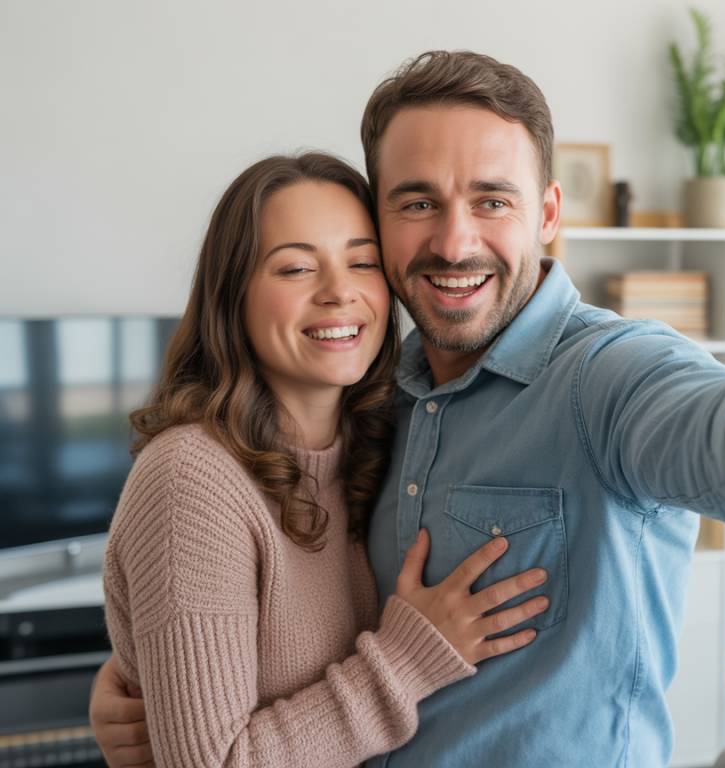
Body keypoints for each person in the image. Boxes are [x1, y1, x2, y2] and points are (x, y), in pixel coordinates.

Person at [92, 52, 725, 767]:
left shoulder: (606, 375)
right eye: (417, 203)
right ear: (387, 221)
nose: (454, 240)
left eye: (493, 200)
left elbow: (706, 427)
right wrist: (146, 679)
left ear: (549, 214)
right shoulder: (381, 406)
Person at [94, 152, 551, 767]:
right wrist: (409, 660)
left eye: (361, 262)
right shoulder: (190, 479)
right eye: (296, 268)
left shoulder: (389, 435)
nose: (338, 292)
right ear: (233, 296)